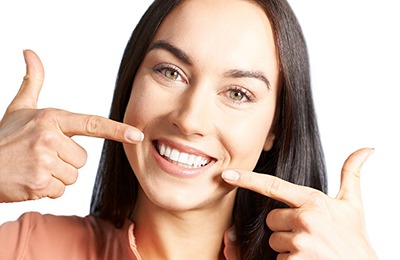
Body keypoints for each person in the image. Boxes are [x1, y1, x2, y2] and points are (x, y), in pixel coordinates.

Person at [0, 0, 378, 259]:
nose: (190, 119)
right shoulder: (27, 246)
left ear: (274, 131)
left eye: (238, 93)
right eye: (170, 72)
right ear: (131, 82)